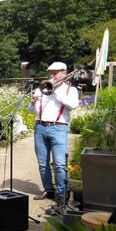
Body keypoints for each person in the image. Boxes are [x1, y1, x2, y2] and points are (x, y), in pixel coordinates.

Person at [28, 62, 79, 214]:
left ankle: (63, 194)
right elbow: (32, 111)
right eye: (50, 73)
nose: (51, 76)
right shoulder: (40, 89)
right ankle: (48, 190)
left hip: (59, 127)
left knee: (59, 163)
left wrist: (54, 91)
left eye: (55, 73)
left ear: (64, 73)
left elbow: (73, 105)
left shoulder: (71, 90)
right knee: (42, 163)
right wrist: (32, 103)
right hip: (40, 126)